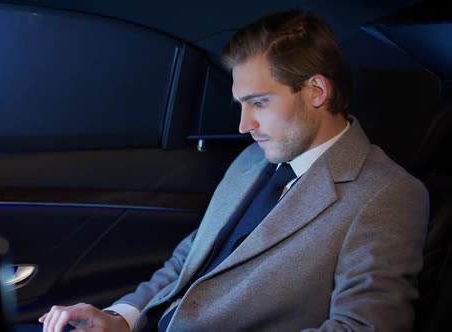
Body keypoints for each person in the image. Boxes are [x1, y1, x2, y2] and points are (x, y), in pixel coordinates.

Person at [38, 9, 429, 332]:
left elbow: (364, 327)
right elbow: (187, 263)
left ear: (316, 91)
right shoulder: (251, 160)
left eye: (258, 102)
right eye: (241, 104)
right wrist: (118, 319)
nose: (244, 125)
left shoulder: (387, 193)